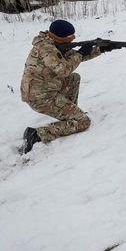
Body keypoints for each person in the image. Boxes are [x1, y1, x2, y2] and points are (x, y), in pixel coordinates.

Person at [20, 20, 102, 153]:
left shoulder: (51, 43)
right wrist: (80, 53)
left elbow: (70, 59)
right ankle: (37, 134)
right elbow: (63, 69)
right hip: (40, 98)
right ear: (60, 38)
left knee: (74, 78)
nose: (70, 43)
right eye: (69, 40)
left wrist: (99, 50)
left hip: (46, 89)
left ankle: (71, 114)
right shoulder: (47, 49)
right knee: (84, 122)